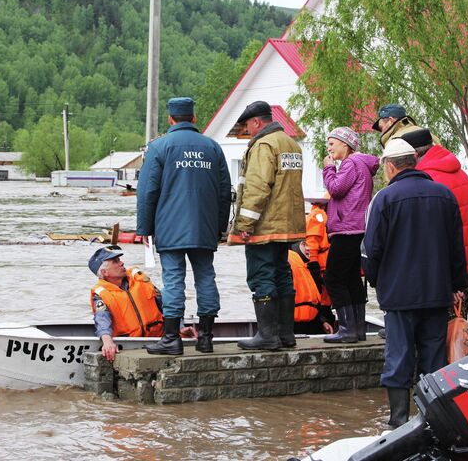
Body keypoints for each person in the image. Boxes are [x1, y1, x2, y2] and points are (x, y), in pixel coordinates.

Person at [363, 138, 466, 428]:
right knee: (433, 359)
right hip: (437, 293)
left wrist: (376, 280)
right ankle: (431, 420)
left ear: (391, 166)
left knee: (398, 357)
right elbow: (457, 248)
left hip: (398, 295)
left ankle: (397, 421)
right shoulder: (444, 195)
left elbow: (372, 249)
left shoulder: (384, 198)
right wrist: (457, 284)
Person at [136, 97, 232, 355]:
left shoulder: (159, 148)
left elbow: (147, 192)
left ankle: (171, 339)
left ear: (170, 119)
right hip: (204, 226)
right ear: (194, 117)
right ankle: (206, 338)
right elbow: (225, 192)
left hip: (169, 227)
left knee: (173, 280)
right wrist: (220, 227)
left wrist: (144, 228)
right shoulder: (212, 148)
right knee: (206, 277)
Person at [228, 100, 306, 350]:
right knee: (282, 275)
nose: (247, 131)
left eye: (247, 126)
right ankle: (286, 335)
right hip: (288, 224)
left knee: (261, 275)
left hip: (265, 226)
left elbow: (258, 187)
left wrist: (244, 223)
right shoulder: (290, 143)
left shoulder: (263, 145)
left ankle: (267, 336)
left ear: (256, 122)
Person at [399, 129, 468, 319]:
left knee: (436, 332)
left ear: (414, 155)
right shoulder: (459, 173)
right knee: (458, 330)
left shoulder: (426, 180)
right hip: (467, 263)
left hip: (442, 266)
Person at [88, 247, 195, 362]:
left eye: (119, 259)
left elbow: (165, 304)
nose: (122, 263)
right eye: (116, 262)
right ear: (105, 272)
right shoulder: (101, 294)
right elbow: (102, 320)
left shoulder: (139, 279)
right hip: (131, 343)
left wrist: (180, 327)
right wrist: (108, 342)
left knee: (167, 294)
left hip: (161, 338)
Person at [322, 127, 379, 343]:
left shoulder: (350, 163)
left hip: (347, 228)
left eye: (332, 143)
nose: (329, 148)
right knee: (352, 277)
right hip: (358, 229)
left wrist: (328, 169)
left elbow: (336, 189)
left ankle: (347, 329)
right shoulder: (362, 164)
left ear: (345, 144)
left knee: (334, 277)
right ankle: (358, 329)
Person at [289, 241, 334, 335]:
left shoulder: (306, 268)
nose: (309, 248)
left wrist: (323, 322)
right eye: (304, 244)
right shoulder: (287, 266)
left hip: (310, 323)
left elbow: (313, 302)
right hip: (291, 326)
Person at [304, 196, 334, 325]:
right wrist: (313, 264)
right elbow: (312, 242)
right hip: (321, 265)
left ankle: (325, 320)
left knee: (326, 300)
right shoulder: (318, 216)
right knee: (323, 300)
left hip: (324, 264)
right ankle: (323, 322)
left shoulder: (319, 215)